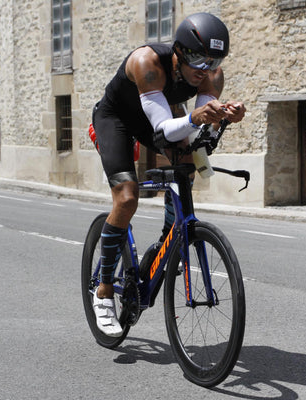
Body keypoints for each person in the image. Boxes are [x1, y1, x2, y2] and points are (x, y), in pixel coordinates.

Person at [91, 12, 246, 337]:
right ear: (179, 51)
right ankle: (104, 290)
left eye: (214, 61)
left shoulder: (211, 76)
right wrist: (195, 116)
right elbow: (163, 129)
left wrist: (222, 117)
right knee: (127, 195)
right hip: (117, 118)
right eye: (198, 59)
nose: (204, 69)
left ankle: (168, 240)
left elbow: (200, 125)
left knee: (189, 165)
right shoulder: (147, 63)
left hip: (161, 116)